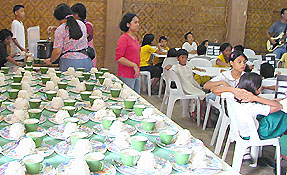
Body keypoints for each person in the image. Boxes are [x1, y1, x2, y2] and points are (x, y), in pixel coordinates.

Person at [211, 72, 287, 140]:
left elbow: (213, 90)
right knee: (282, 114)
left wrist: (233, 90)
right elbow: (279, 106)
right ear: (256, 89)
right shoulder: (253, 107)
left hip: (240, 130)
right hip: (254, 134)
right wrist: (256, 98)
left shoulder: (234, 97)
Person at [44, 3, 92, 72]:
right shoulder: (81, 24)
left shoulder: (61, 29)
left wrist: (50, 60)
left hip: (69, 62)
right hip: (85, 60)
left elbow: (57, 51)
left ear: (59, 18)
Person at [165, 49, 206, 121]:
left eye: (186, 58)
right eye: (182, 58)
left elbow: (194, 68)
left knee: (203, 93)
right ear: (178, 58)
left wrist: (199, 69)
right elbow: (167, 68)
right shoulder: (176, 67)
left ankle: (197, 112)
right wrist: (170, 65)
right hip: (185, 87)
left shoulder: (189, 64)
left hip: (192, 85)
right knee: (202, 94)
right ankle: (196, 112)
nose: (184, 60)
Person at [115, 13, 141, 93]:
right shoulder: (124, 38)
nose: (138, 24)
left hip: (135, 73)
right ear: (128, 24)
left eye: (138, 22)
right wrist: (133, 65)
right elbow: (119, 58)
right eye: (135, 22)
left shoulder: (134, 38)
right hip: (126, 74)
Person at [71, 3, 97, 67]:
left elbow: (82, 40)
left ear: (80, 15)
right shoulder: (73, 25)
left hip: (87, 54)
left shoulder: (88, 25)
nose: (72, 16)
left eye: (74, 14)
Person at [9, 5, 26, 71]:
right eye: (21, 11)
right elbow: (14, 38)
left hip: (21, 52)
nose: (23, 13)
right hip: (17, 52)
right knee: (17, 70)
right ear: (16, 12)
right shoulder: (15, 23)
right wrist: (21, 49)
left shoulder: (20, 23)